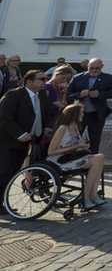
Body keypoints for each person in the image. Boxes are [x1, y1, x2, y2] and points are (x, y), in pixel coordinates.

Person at [0, 69, 56, 205]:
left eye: (46, 78)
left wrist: (46, 127)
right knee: (3, 171)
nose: (45, 81)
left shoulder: (41, 94)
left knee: (13, 172)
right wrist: (20, 134)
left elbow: (45, 112)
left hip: (28, 141)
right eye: (41, 79)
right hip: (7, 141)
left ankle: (3, 203)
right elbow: (4, 118)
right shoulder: (14, 95)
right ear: (29, 82)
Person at [46, 103, 106, 209]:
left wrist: (82, 147)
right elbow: (51, 151)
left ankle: (92, 194)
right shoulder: (63, 128)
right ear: (74, 114)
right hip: (59, 160)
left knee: (100, 157)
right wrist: (77, 146)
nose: (83, 114)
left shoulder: (76, 128)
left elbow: (75, 147)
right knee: (97, 159)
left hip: (71, 158)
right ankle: (86, 197)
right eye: (81, 112)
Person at [65, 57, 112, 154]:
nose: (94, 70)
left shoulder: (108, 78)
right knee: (73, 140)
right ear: (87, 66)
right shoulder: (78, 78)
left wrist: (99, 94)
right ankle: (70, 161)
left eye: (97, 68)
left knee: (95, 141)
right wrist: (79, 95)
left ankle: (94, 163)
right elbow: (67, 95)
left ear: (102, 67)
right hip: (79, 115)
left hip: (96, 114)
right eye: (91, 68)